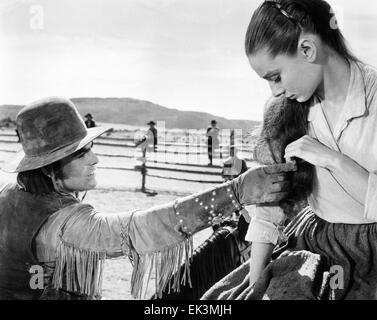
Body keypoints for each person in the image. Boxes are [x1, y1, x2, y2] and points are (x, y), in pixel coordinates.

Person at [0, 96, 295, 300]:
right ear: (50, 168)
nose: (96, 158)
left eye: (90, 148)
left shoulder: (11, 193)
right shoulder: (63, 225)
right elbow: (142, 228)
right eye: (80, 153)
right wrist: (236, 192)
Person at [202, 0, 377, 300]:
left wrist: (332, 160)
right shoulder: (284, 113)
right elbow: (268, 212)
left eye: (275, 77)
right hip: (316, 248)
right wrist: (254, 286)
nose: (275, 91)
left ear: (308, 50)